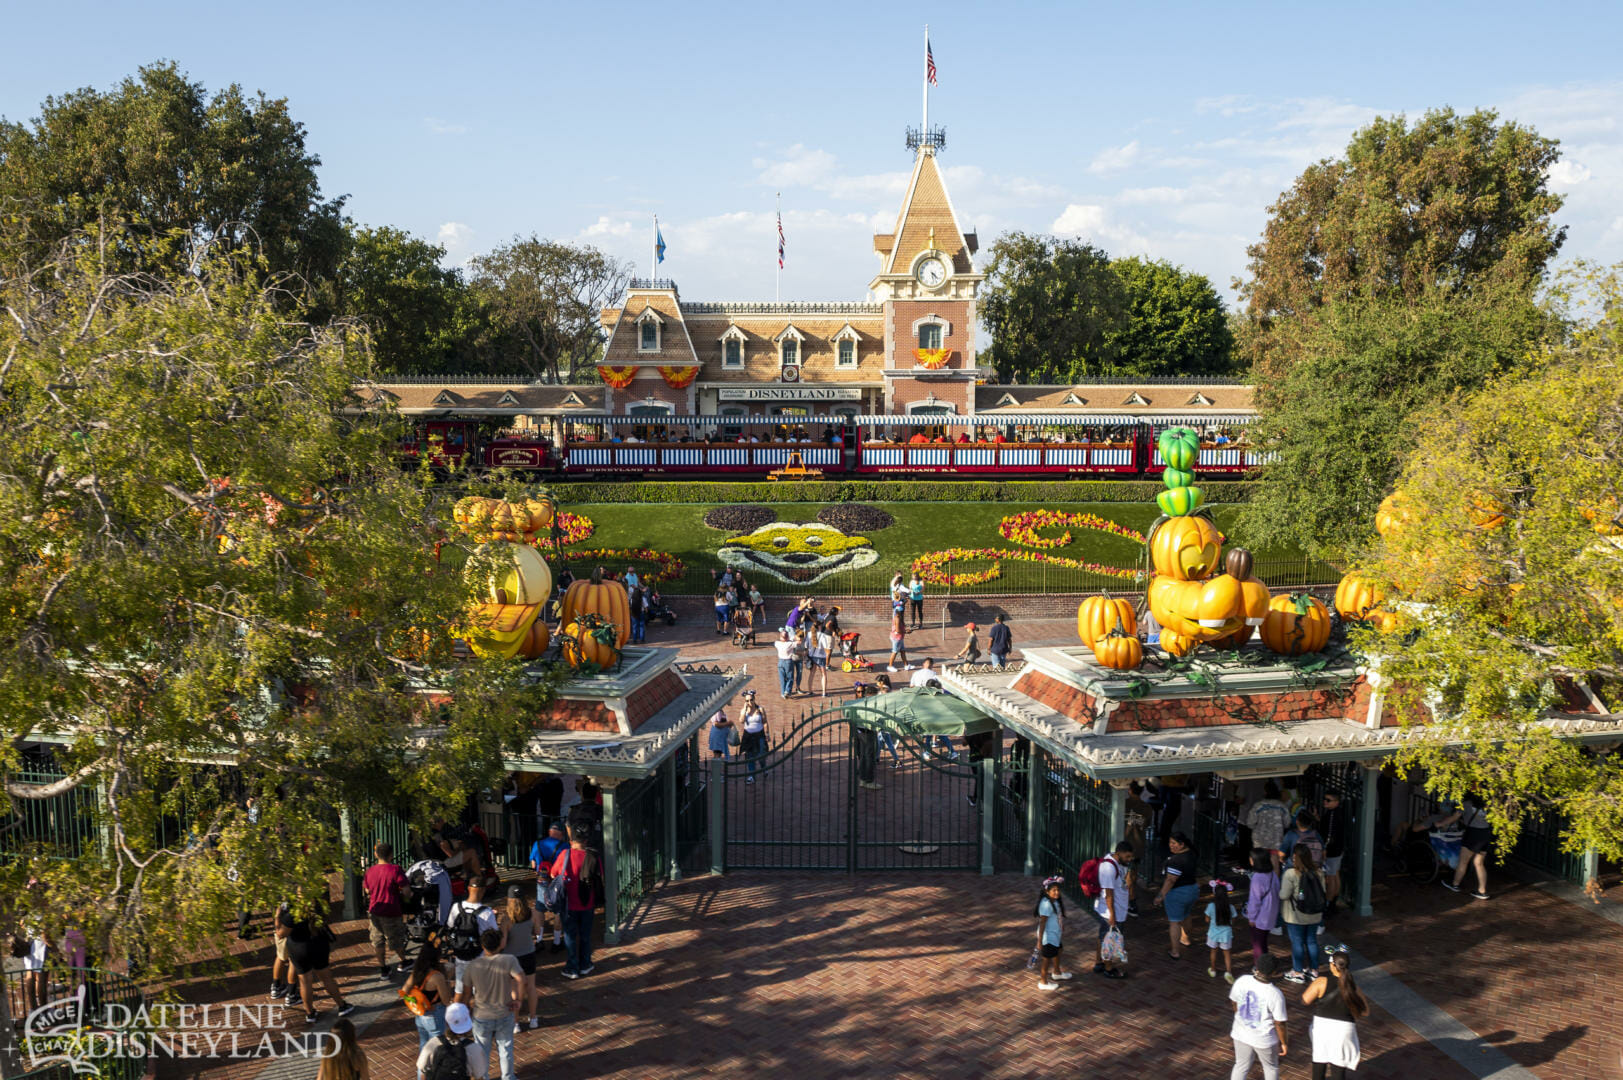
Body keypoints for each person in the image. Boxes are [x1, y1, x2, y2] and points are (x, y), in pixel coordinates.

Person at [463, 926, 523, 1080]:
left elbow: (467, 993)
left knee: (482, 1052)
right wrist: (518, 1000)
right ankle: (508, 1077)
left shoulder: (473, 965)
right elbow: (521, 978)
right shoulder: (509, 960)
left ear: (483, 946)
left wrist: (467, 1008)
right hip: (504, 1012)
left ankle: (485, 1077)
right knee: (506, 1049)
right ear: (499, 944)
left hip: (482, 1016)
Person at [1301, 945, 1367, 1079]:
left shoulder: (1321, 981)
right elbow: (1365, 1011)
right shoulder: (1353, 987)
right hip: (1344, 1030)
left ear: (1332, 965)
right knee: (1338, 1068)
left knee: (1319, 1062)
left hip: (1322, 1028)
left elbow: (1305, 1000)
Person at [285, 908, 355, 1023]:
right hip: (318, 944)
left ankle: (310, 1013)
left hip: (298, 949)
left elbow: (281, 933)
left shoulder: (290, 912)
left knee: (305, 982)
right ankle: (342, 1005)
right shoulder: (317, 905)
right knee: (327, 978)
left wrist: (278, 916)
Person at [551, 820, 600, 979]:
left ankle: (572, 967)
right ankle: (585, 963)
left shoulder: (565, 855)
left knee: (570, 936)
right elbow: (600, 877)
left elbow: (554, 874)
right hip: (588, 902)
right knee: (585, 935)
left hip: (568, 903)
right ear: (586, 840)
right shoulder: (593, 856)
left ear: (572, 840)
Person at [1229, 953, 1289, 1080]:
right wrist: (1283, 1042)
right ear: (1274, 972)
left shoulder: (1242, 980)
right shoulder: (1275, 994)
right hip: (1265, 1040)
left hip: (1240, 1033)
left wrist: (1240, 1017)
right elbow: (1279, 1023)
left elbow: (1234, 1002)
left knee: (1241, 1065)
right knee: (1270, 1067)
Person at [362, 842, 412, 980]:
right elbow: (406, 890)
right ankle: (403, 961)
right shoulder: (395, 870)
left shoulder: (370, 871)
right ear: (391, 855)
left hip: (374, 910)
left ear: (376, 854)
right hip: (391, 909)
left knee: (378, 940)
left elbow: (367, 890)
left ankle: (383, 968)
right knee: (395, 939)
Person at [446, 879, 501, 997]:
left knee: (459, 990)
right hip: (478, 955)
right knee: (479, 992)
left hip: (461, 953)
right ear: (483, 891)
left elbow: (450, 926)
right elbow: (495, 934)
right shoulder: (487, 912)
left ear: (469, 888)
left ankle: (457, 1014)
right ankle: (477, 1014)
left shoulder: (456, 907)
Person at [1280, 846, 1326, 984]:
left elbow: (1284, 895)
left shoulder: (1291, 874)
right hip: (1315, 914)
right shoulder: (1319, 872)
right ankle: (1314, 970)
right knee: (1312, 941)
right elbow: (1323, 892)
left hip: (1295, 916)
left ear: (1296, 858)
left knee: (1297, 942)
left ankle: (1298, 971)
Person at [1155, 831, 1201, 960]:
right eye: (1170, 842)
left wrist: (1160, 896)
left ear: (1182, 844)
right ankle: (1186, 939)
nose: (1171, 845)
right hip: (1192, 890)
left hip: (1177, 894)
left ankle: (1175, 951)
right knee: (1186, 915)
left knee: (1174, 922)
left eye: (1174, 843)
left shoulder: (1176, 861)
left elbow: (1170, 880)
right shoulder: (1191, 854)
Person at [500, 886, 541, 1030]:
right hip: (528, 954)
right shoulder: (533, 913)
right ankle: (534, 1018)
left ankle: (516, 1022)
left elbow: (503, 943)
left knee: (515, 990)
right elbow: (537, 932)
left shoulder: (506, 919)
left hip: (512, 958)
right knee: (531, 987)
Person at [1093, 840, 1134, 980]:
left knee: (1103, 936)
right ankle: (1108, 968)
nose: (1129, 860)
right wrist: (1112, 915)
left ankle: (1099, 962)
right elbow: (1108, 893)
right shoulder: (1108, 868)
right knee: (1109, 940)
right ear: (1119, 853)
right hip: (1111, 911)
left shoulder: (1118, 863)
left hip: (1116, 909)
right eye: (1127, 857)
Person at [404, 941, 453, 1050]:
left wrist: (415, 1002)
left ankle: (421, 1068)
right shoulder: (437, 977)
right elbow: (446, 1000)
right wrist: (448, 979)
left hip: (420, 1015)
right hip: (435, 1015)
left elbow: (404, 991)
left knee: (424, 1047)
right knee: (436, 1050)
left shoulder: (417, 971)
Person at [417, 1002, 485, 1080]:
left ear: (447, 1023)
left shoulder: (433, 1043)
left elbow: (422, 1070)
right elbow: (479, 1076)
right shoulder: (474, 1048)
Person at [1443, 796, 1493, 900]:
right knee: (1479, 863)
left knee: (1463, 861)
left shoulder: (1467, 803)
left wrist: (1439, 824)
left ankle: (1455, 884)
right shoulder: (1489, 803)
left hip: (1473, 833)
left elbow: (1455, 817)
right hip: (1486, 833)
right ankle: (1482, 891)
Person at [529, 823, 568, 953]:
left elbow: (533, 864)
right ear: (561, 834)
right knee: (558, 911)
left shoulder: (538, 844)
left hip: (542, 880)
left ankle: (539, 941)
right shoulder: (564, 846)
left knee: (539, 909)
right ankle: (556, 942)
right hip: (557, 881)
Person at [1244, 847, 1282, 968]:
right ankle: (1265, 964)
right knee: (1263, 941)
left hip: (1260, 916)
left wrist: (1251, 917)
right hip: (1271, 913)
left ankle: (1260, 967)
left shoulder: (1257, 877)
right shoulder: (1272, 874)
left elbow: (1254, 901)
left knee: (1258, 944)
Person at [1033, 876, 1071, 991]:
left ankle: (1057, 972)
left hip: (1055, 935)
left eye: (1058, 890)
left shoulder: (1055, 902)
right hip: (1048, 937)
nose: (1057, 892)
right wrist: (1039, 941)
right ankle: (1043, 982)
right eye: (1054, 890)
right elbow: (1043, 923)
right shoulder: (1046, 904)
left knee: (1059, 950)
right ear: (1047, 891)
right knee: (1046, 959)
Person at [1246, 782, 1291, 873]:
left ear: (1265, 792)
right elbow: (1287, 824)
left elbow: (1250, 823)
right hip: (1276, 841)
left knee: (1259, 865)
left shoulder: (1258, 806)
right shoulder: (1282, 806)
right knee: (1275, 865)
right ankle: (1274, 886)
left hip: (1260, 842)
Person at [1318, 791, 1349, 914]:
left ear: (1336, 802)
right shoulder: (1338, 813)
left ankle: (1329, 904)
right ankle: (1333, 901)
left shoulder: (1332, 815)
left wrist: (1325, 848)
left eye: (1328, 800)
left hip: (1332, 850)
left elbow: (1330, 835)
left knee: (1331, 877)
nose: (1325, 802)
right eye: (1324, 799)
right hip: (1338, 849)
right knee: (1335, 874)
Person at [1207, 878, 1236, 984]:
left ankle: (1213, 970)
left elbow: (1207, 919)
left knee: (1213, 951)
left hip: (1213, 933)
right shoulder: (1230, 907)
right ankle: (1229, 972)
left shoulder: (1211, 906)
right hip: (1226, 934)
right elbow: (1233, 919)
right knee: (1227, 954)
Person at [739, 691, 769, 784]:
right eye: (747, 701)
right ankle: (751, 775)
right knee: (749, 756)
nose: (749, 702)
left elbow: (765, 722)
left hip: (759, 735)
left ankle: (763, 768)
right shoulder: (744, 711)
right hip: (748, 736)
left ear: (754, 699)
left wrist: (767, 734)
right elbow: (741, 721)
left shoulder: (760, 709)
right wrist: (744, 710)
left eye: (751, 700)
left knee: (760, 755)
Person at [809, 621, 833, 697]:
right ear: (819, 627)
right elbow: (826, 646)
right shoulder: (822, 635)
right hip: (820, 656)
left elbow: (806, 645)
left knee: (812, 674)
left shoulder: (809, 634)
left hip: (812, 656)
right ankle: (824, 693)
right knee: (823, 674)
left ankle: (810, 691)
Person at [772, 628, 797, 699]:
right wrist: (792, 638)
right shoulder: (790, 643)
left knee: (782, 678)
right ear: (787, 637)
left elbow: (777, 641)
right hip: (788, 661)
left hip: (780, 662)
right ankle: (787, 691)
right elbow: (798, 642)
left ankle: (783, 693)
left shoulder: (777, 643)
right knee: (790, 678)